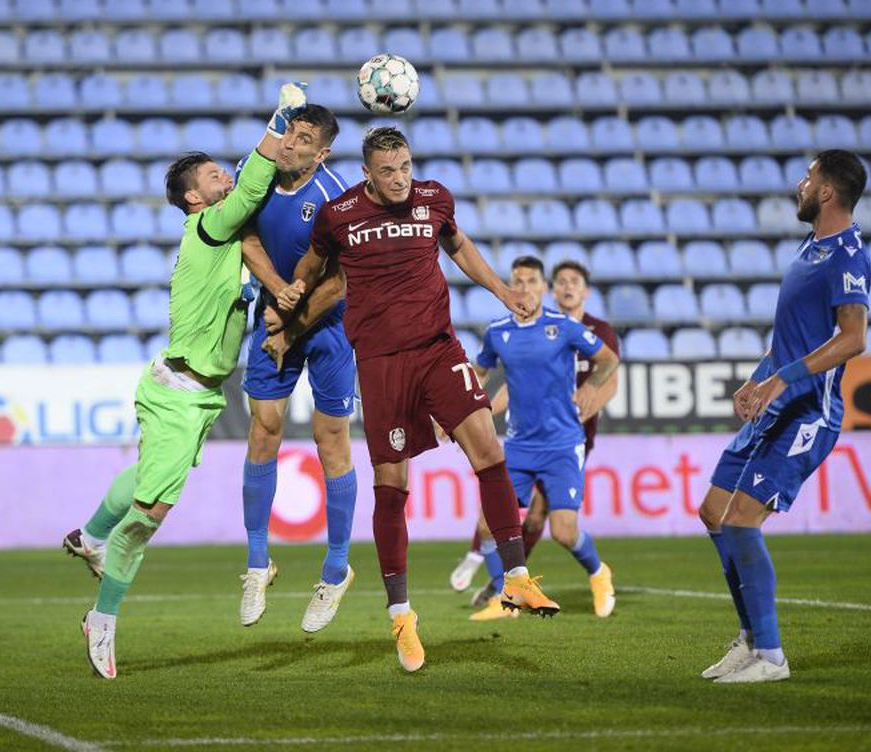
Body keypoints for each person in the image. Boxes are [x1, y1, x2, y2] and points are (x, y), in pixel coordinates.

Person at [278, 127, 560, 673]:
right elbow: (313, 268)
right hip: (382, 363)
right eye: (388, 170)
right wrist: (291, 298)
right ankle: (402, 616)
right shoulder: (339, 215)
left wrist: (502, 291)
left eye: (405, 165)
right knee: (392, 483)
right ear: (368, 174)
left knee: (488, 446)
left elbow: (456, 244)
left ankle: (517, 576)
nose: (400, 177)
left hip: (438, 348)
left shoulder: (434, 198)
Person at [63, 82, 309, 679]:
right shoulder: (209, 229)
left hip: (191, 393)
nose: (227, 177)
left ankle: (91, 536)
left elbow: (253, 210)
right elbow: (256, 183)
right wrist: (281, 118)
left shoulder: (226, 239)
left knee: (148, 480)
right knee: (149, 513)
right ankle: (103, 617)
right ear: (195, 199)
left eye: (225, 171)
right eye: (215, 176)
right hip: (179, 393)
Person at [696, 150, 871, 684]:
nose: (801, 184)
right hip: (776, 403)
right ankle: (750, 640)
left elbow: (853, 339)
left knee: (743, 519)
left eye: (809, 176)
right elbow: (791, 339)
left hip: (808, 415)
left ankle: (771, 656)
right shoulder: (809, 246)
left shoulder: (848, 255)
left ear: (826, 192)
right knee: (713, 512)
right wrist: (759, 377)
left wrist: (783, 379)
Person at [235, 105, 359, 633]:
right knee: (263, 430)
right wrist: (277, 293)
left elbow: (342, 280)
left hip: (326, 326)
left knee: (331, 439)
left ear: (321, 152)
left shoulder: (337, 195)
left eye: (303, 138)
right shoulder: (254, 171)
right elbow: (246, 238)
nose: (289, 143)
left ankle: (336, 569)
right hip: (272, 315)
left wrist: (292, 322)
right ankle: (257, 563)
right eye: (288, 132)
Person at [450, 260, 620, 598]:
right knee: (488, 524)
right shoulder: (498, 332)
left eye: (532, 281)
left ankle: (598, 572)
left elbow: (609, 362)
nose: (525, 287)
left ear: (544, 288)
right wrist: (459, 407)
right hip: (519, 446)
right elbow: (484, 375)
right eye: (518, 281)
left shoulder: (567, 328)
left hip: (564, 442)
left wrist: (591, 391)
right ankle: (504, 593)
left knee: (562, 531)